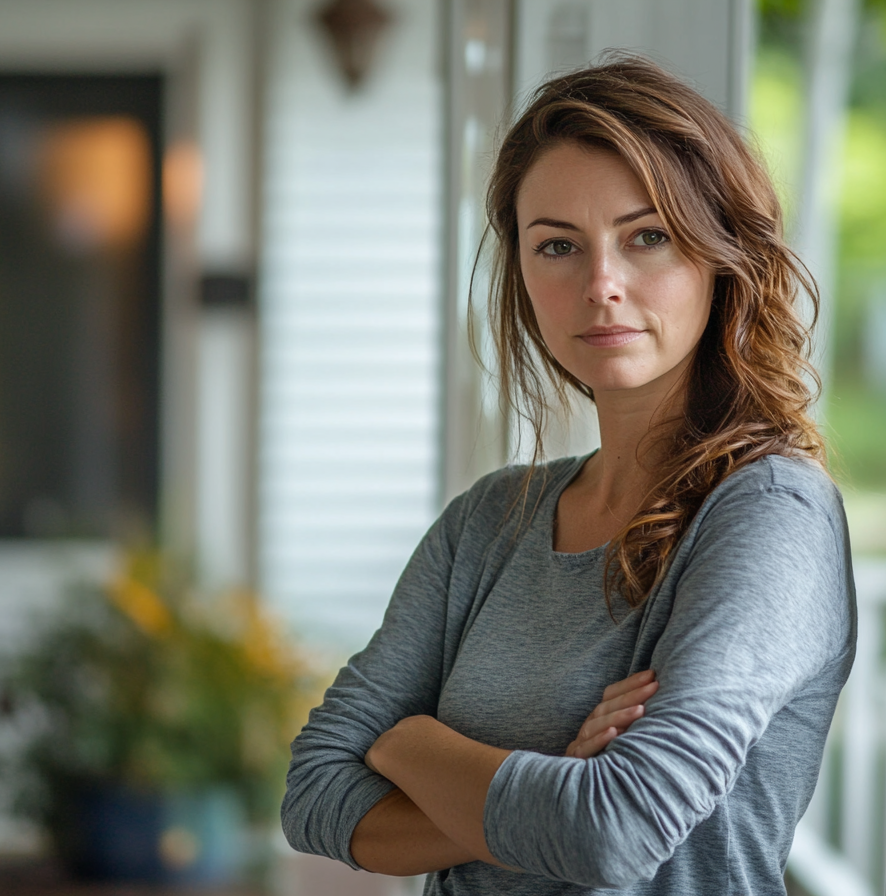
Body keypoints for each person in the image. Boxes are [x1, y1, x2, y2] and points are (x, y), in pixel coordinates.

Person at [281, 54, 855, 895]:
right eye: (558, 245)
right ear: (522, 271)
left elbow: (615, 834)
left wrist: (409, 743)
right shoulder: (490, 520)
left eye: (646, 236)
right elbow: (315, 791)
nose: (601, 286)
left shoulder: (770, 514)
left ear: (720, 255)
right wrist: (553, 775)